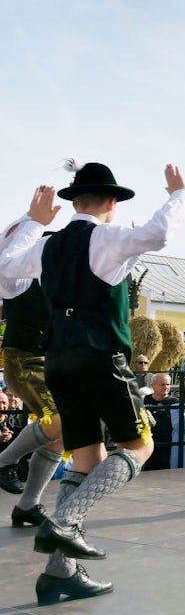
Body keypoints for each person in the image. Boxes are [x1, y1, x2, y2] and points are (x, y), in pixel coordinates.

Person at [0, 162, 185, 604]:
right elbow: (160, 233)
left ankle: (59, 572)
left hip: (57, 358)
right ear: (110, 202)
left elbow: (7, 269)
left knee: (87, 454)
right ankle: (66, 522)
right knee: (140, 445)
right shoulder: (106, 237)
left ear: (72, 202)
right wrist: (179, 194)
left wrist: (34, 221)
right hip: (99, 356)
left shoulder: (49, 245)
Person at [0, 211, 67, 521]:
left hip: (46, 361)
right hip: (22, 361)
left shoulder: (56, 285)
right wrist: (33, 217)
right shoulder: (19, 278)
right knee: (58, 422)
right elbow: (7, 243)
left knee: (62, 434)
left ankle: (28, 505)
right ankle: (4, 460)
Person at [144, 373, 180, 470]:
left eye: (167, 384)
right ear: (153, 385)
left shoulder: (174, 402)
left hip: (167, 447)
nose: (166, 387)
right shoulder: (145, 400)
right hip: (148, 446)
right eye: (162, 384)